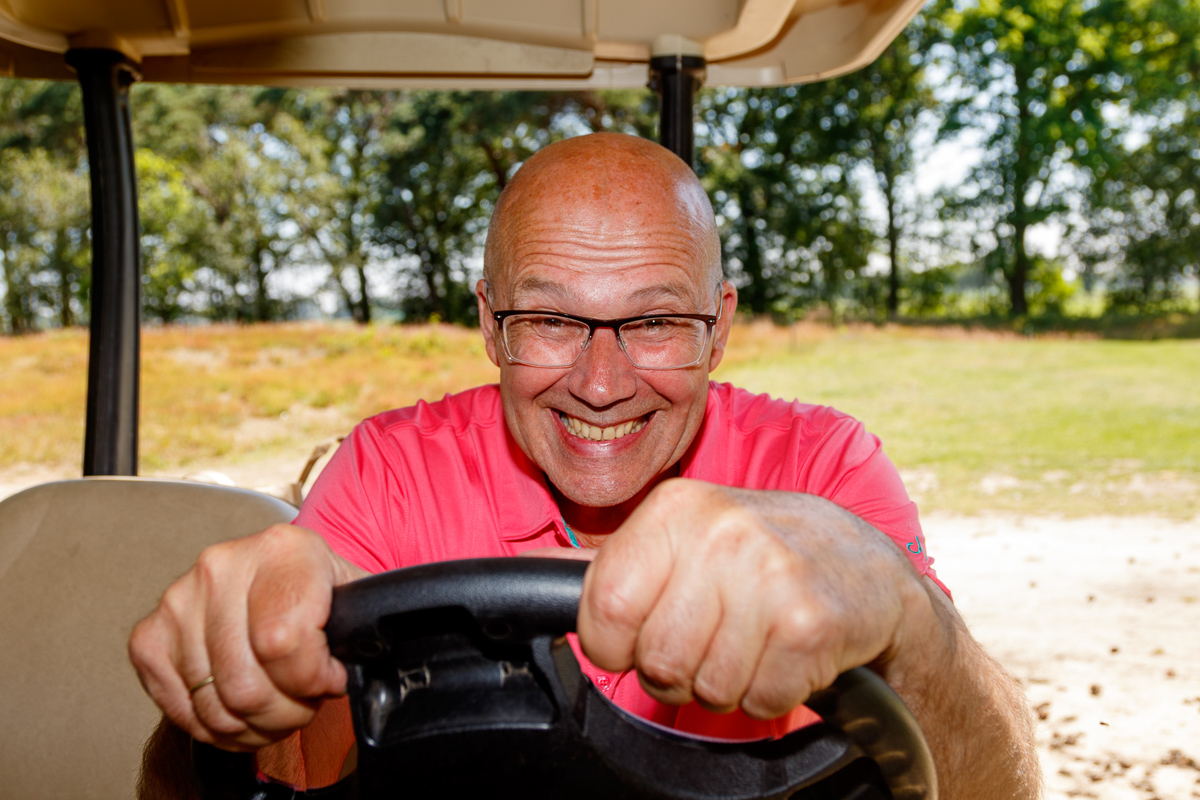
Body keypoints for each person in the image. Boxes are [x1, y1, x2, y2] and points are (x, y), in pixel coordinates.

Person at [129, 133, 1040, 798]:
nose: (601, 386)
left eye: (656, 321)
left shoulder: (822, 465)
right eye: (551, 320)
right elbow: (217, 773)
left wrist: (906, 618)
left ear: (720, 326)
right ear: (489, 323)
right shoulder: (390, 471)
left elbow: (996, 784)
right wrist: (222, 678)